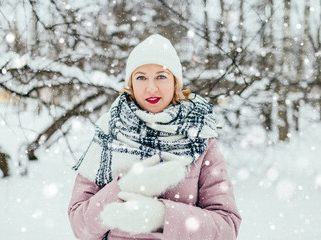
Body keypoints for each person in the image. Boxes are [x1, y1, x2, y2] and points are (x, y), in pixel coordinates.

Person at [68, 34, 242, 240]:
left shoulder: (200, 139)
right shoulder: (108, 134)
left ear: (175, 82)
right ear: (130, 84)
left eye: (161, 76)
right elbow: (80, 225)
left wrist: (161, 216)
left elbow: (227, 226)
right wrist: (123, 187)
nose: (151, 87)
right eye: (141, 77)